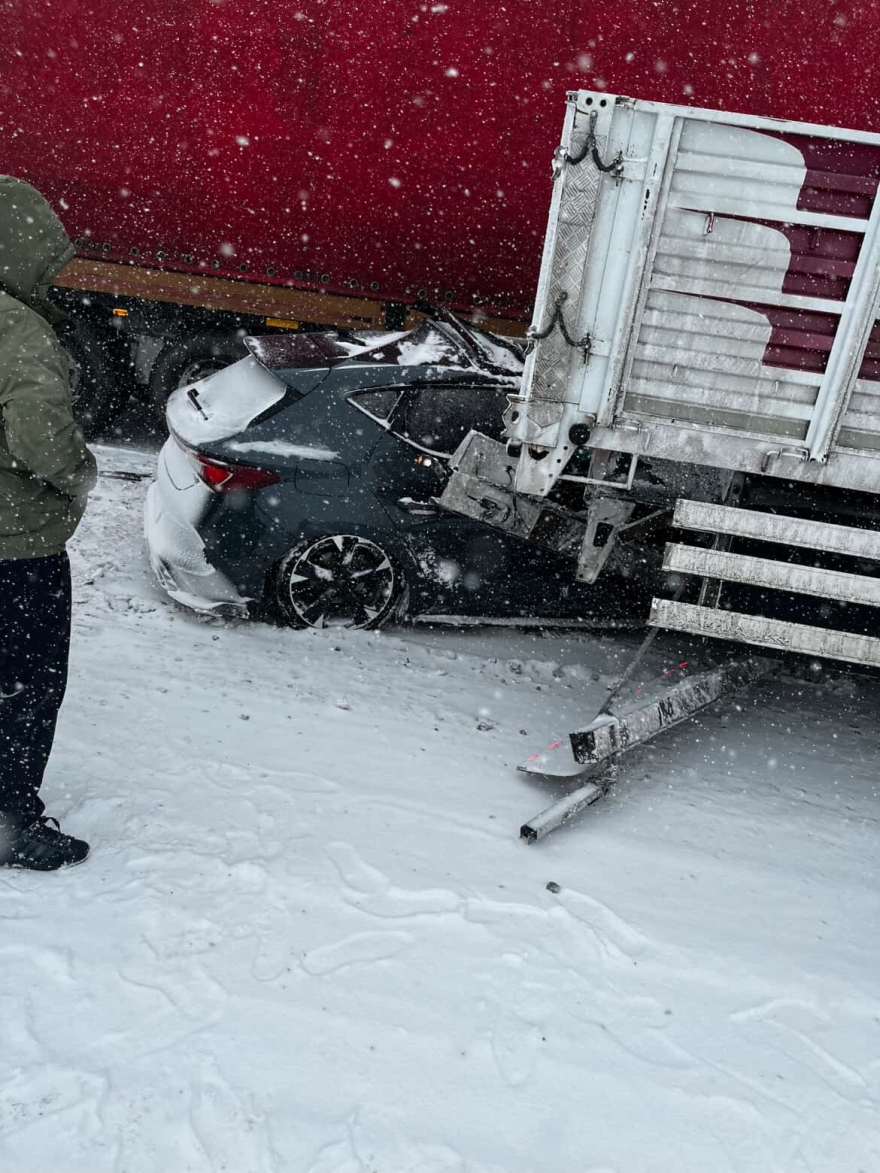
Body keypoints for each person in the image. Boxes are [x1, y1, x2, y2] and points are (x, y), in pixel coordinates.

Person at [0, 176, 97, 869]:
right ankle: (11, 821)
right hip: (16, 546)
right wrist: (80, 472)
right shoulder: (17, 329)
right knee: (25, 688)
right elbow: (41, 438)